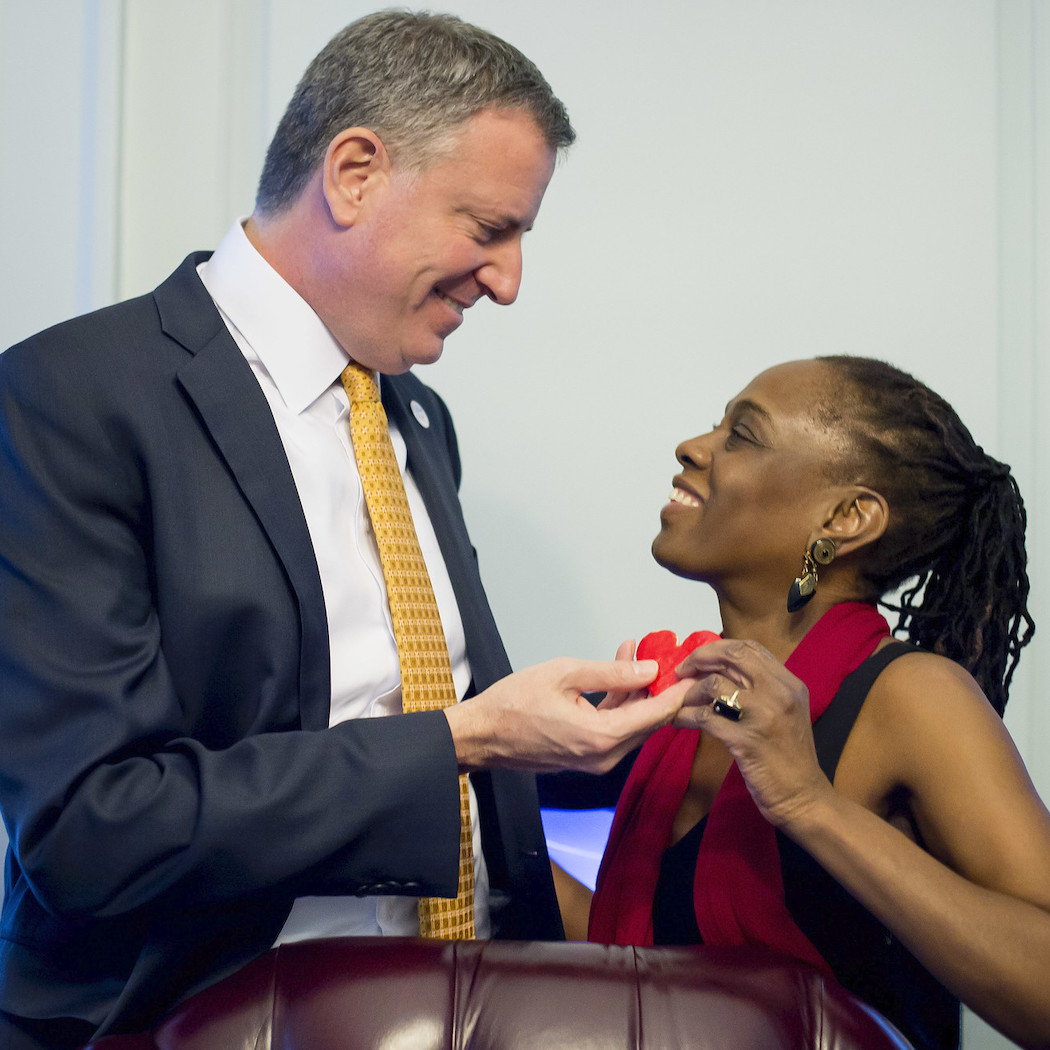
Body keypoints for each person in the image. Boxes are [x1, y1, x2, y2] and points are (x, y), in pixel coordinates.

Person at [0, 12, 688, 1048]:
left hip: (474, 997)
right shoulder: (68, 399)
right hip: (192, 1014)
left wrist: (629, 735)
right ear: (355, 173)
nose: (507, 282)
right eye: (489, 228)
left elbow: (420, 704)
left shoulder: (416, 416)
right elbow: (93, 831)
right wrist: (467, 737)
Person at [544, 356, 1049, 1050]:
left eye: (742, 434)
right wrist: (466, 788)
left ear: (845, 517)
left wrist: (812, 805)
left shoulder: (913, 696)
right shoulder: (692, 701)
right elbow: (659, 967)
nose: (692, 447)